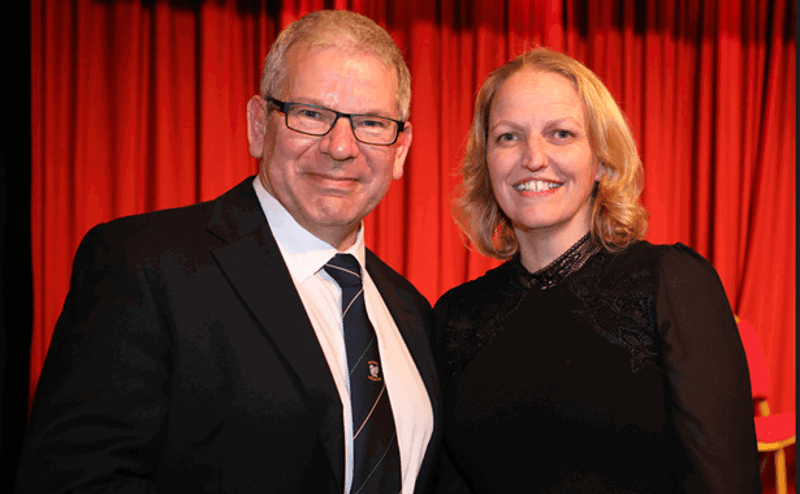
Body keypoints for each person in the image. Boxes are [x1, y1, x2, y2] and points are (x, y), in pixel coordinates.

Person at [15, 10, 440, 494]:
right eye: (311, 114)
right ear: (259, 125)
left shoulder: (413, 313)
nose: (341, 146)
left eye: (371, 122)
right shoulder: (145, 265)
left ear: (400, 149)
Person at [433, 48, 760, 493]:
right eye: (508, 137)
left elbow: (725, 481)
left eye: (561, 134)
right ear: (486, 162)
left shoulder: (671, 283)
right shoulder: (457, 315)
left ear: (603, 161)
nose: (533, 157)